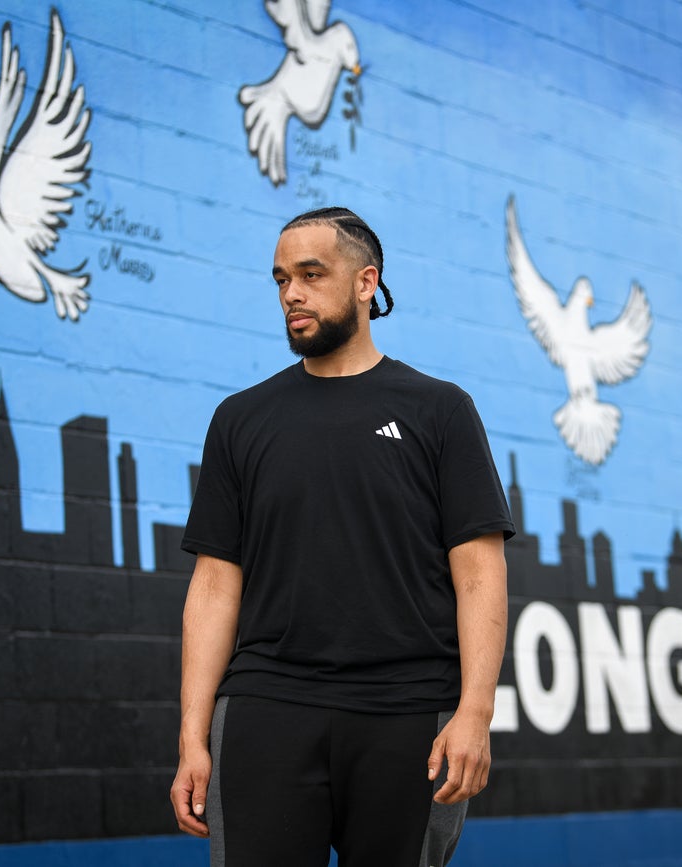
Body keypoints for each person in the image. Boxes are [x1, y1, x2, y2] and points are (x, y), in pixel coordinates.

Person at [170, 206, 515, 866]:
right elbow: (215, 584)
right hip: (266, 708)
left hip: (409, 714)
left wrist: (474, 711)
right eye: (280, 279)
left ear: (366, 282)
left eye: (310, 273)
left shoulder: (438, 409)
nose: (291, 294)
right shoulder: (240, 419)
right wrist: (192, 733)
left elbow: (480, 573)